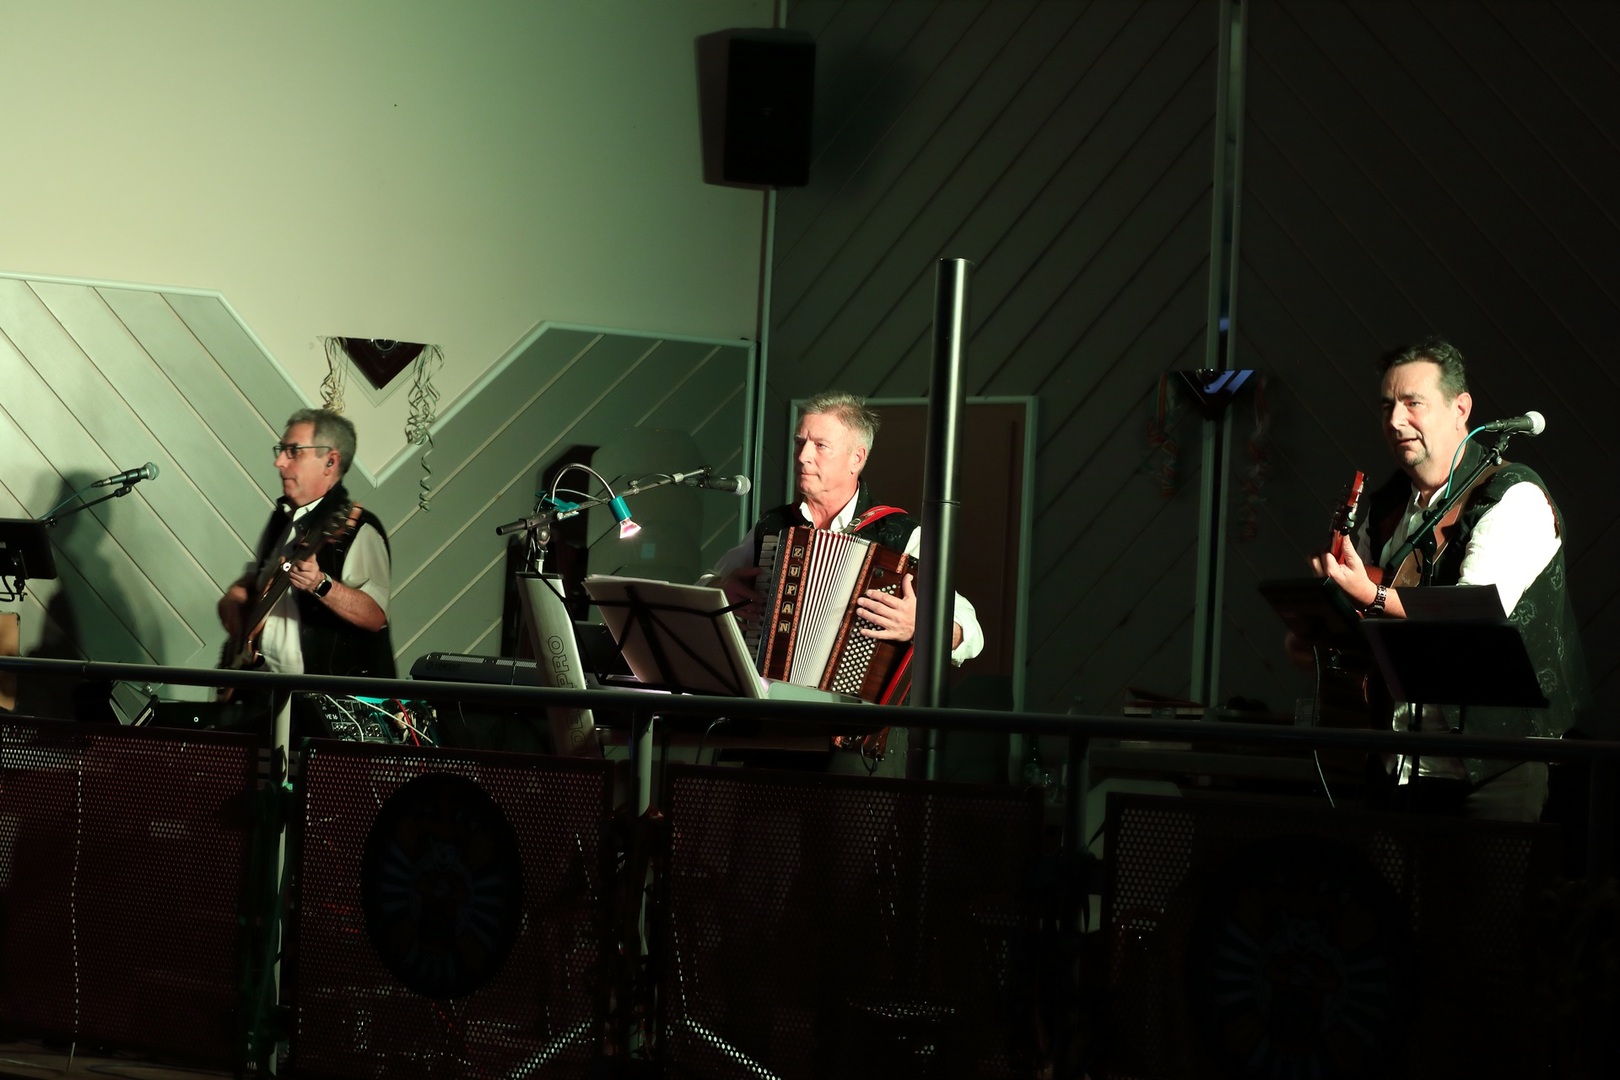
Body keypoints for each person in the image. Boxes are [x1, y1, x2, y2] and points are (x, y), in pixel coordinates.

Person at [1309, 337, 1589, 820]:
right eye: (1387, 406)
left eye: (1412, 403)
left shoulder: (1513, 495)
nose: (1396, 420)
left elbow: (1473, 610)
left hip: (1490, 767)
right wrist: (1321, 622)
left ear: (1461, 409)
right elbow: (1363, 619)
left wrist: (1373, 596)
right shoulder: (1388, 506)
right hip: (1397, 764)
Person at [709, 391, 985, 775]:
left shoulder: (902, 535)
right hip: (770, 728)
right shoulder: (773, 527)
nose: (803, 456)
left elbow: (970, 633)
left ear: (857, 458)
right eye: (800, 443)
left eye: (820, 446)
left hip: (858, 740)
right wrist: (721, 586)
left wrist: (921, 626)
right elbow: (708, 587)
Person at [218, 408, 395, 690]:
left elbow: (374, 615)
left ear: (330, 462)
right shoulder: (281, 519)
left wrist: (320, 584)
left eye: (293, 451)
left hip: (321, 698)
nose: (279, 462)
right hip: (261, 689)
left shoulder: (358, 528)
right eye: (281, 451)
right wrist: (236, 595)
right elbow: (259, 576)